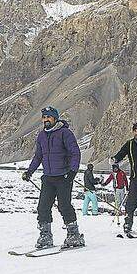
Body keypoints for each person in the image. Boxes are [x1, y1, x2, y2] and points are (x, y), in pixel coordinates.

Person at [22, 106, 85, 248]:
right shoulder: (41, 136)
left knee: (64, 206)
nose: (46, 120)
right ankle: (45, 236)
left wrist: (72, 172)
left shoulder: (65, 133)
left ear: (55, 118)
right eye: (44, 117)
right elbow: (38, 156)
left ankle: (74, 235)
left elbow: (75, 152)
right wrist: (29, 171)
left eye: (48, 117)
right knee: (42, 207)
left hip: (64, 177)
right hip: (48, 178)